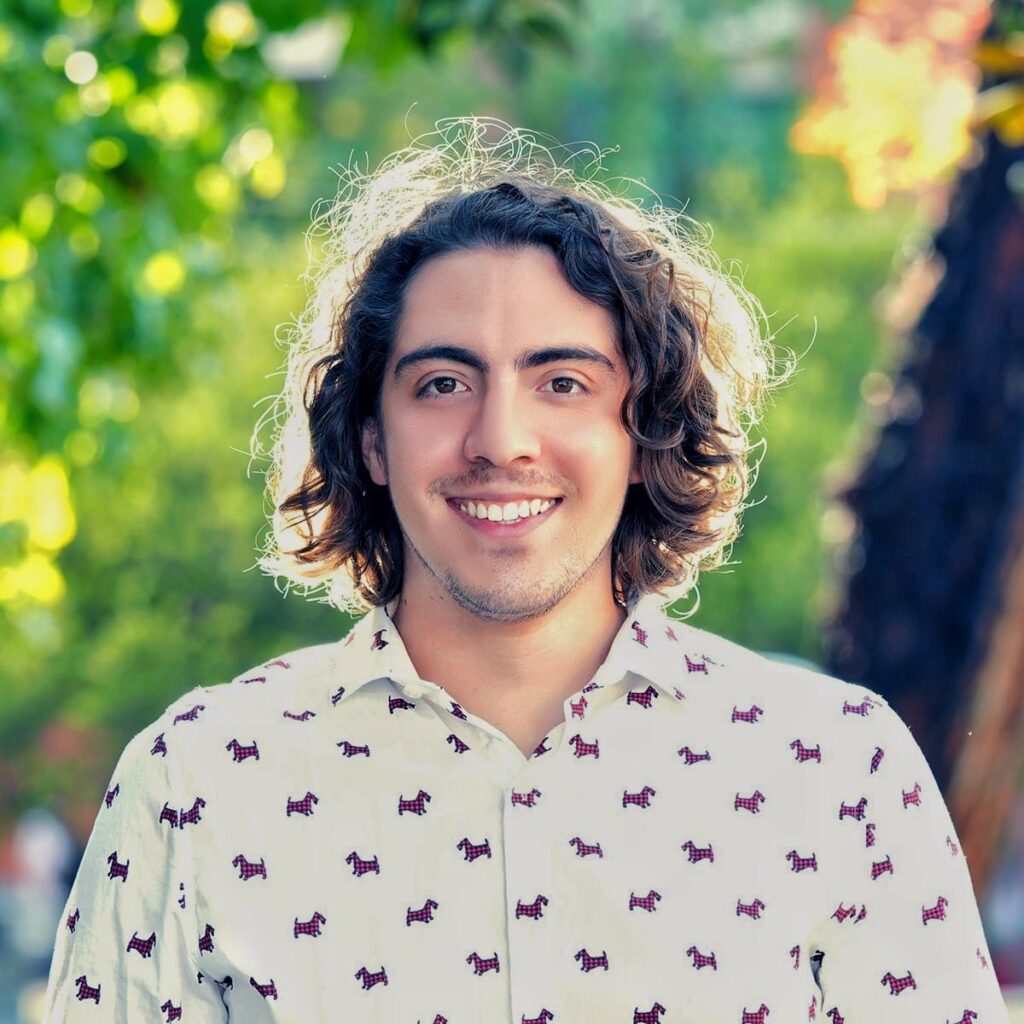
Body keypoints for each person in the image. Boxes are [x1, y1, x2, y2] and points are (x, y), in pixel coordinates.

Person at [42, 120, 1009, 1023]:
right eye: (443, 383)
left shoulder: (837, 772)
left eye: (563, 383)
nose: (500, 439)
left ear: (644, 432)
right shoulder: (195, 784)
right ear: (371, 439)